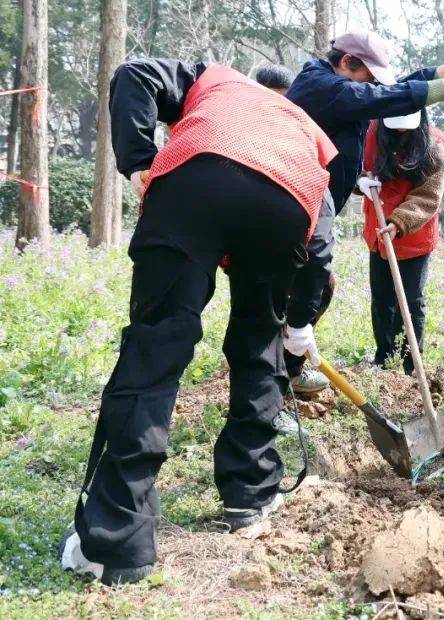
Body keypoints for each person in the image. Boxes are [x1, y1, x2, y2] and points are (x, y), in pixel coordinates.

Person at [61, 59, 337, 585]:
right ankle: (250, 495)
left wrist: (141, 162)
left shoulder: (213, 80)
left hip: (197, 174)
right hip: (285, 201)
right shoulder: (309, 132)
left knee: (156, 348)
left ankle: (118, 544)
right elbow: (319, 243)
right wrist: (298, 324)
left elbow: (135, 75)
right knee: (261, 342)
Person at [282, 31, 444, 395]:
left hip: (364, 221)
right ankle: (277, 373)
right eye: (369, 76)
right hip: (297, 204)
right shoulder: (324, 87)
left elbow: (395, 87)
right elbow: (382, 96)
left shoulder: (428, 146)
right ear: (348, 62)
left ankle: (287, 366)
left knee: (320, 289)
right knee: (296, 290)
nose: (375, 86)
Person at [359, 110, 444, 374]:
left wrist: (399, 222)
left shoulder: (433, 146)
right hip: (378, 227)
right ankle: (384, 360)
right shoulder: (372, 133)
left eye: (406, 127)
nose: (400, 131)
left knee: (411, 300)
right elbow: (356, 163)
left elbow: (429, 196)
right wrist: (359, 180)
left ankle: (413, 365)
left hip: (414, 233)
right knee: (382, 298)